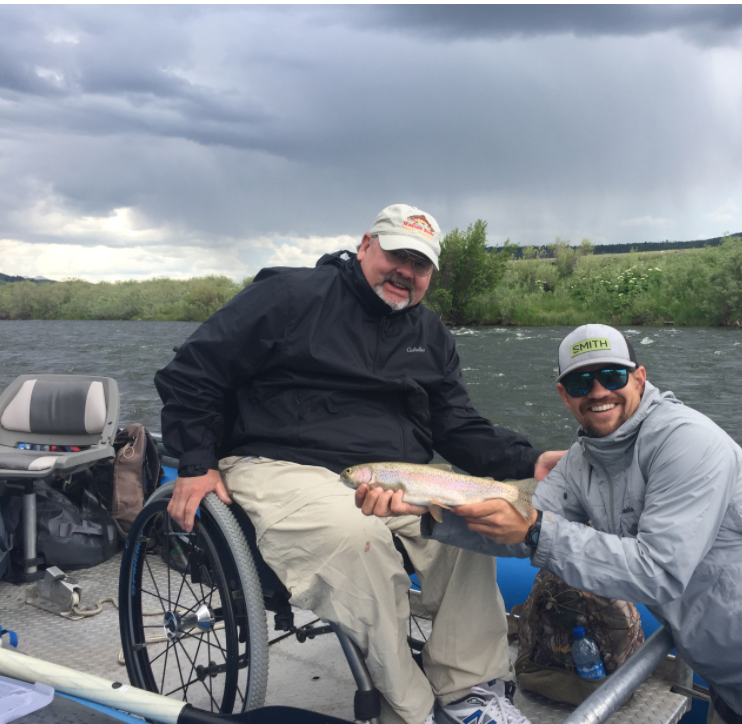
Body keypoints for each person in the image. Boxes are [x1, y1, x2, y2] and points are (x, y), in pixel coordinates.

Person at [155, 204, 563, 724]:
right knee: (357, 537)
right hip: (280, 463)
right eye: (397, 255)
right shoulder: (289, 296)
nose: (406, 273)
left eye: (421, 266)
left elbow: (456, 426)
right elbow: (193, 372)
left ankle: (469, 694)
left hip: (393, 474)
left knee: (470, 525)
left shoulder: (432, 335)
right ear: (366, 244)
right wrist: (194, 461)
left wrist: (531, 459)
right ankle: (411, 710)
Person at [358, 323, 742, 724]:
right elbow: (521, 528)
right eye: (581, 381)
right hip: (731, 686)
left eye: (611, 375)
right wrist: (428, 514)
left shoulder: (688, 442)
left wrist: (538, 531)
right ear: (564, 394)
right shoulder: (580, 463)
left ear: (639, 377)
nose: (598, 391)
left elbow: (658, 571)